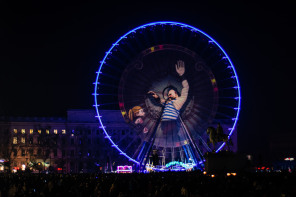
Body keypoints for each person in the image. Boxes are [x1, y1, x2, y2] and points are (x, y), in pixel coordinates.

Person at [148, 60, 189, 147]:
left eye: (171, 93)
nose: (169, 95)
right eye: (168, 94)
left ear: (176, 93)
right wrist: (155, 96)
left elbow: (186, 88)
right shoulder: (167, 102)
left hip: (171, 123)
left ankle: (179, 145)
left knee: (171, 139)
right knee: (167, 140)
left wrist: (182, 75)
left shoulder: (179, 101)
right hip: (164, 124)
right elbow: (160, 101)